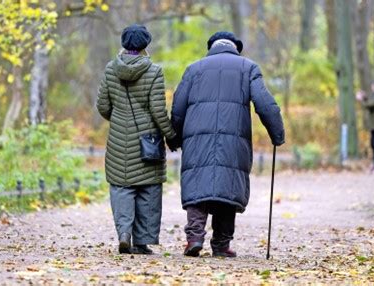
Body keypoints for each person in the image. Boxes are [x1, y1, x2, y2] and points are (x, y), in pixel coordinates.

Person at [170, 31, 285, 258]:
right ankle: (221, 244)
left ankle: (194, 238)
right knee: (227, 186)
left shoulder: (194, 69)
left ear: (211, 47)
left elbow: (178, 107)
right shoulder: (248, 68)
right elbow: (266, 104)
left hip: (197, 140)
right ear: (235, 47)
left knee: (198, 185)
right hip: (233, 140)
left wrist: (174, 137)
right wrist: (277, 133)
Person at [96, 24, 176, 255]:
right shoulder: (154, 71)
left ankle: (123, 234)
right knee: (148, 189)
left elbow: (102, 106)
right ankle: (142, 242)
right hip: (147, 142)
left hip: (118, 141)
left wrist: (119, 120)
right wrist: (170, 136)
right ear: (145, 45)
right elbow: (158, 111)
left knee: (122, 187)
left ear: (123, 44)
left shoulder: (111, 69)